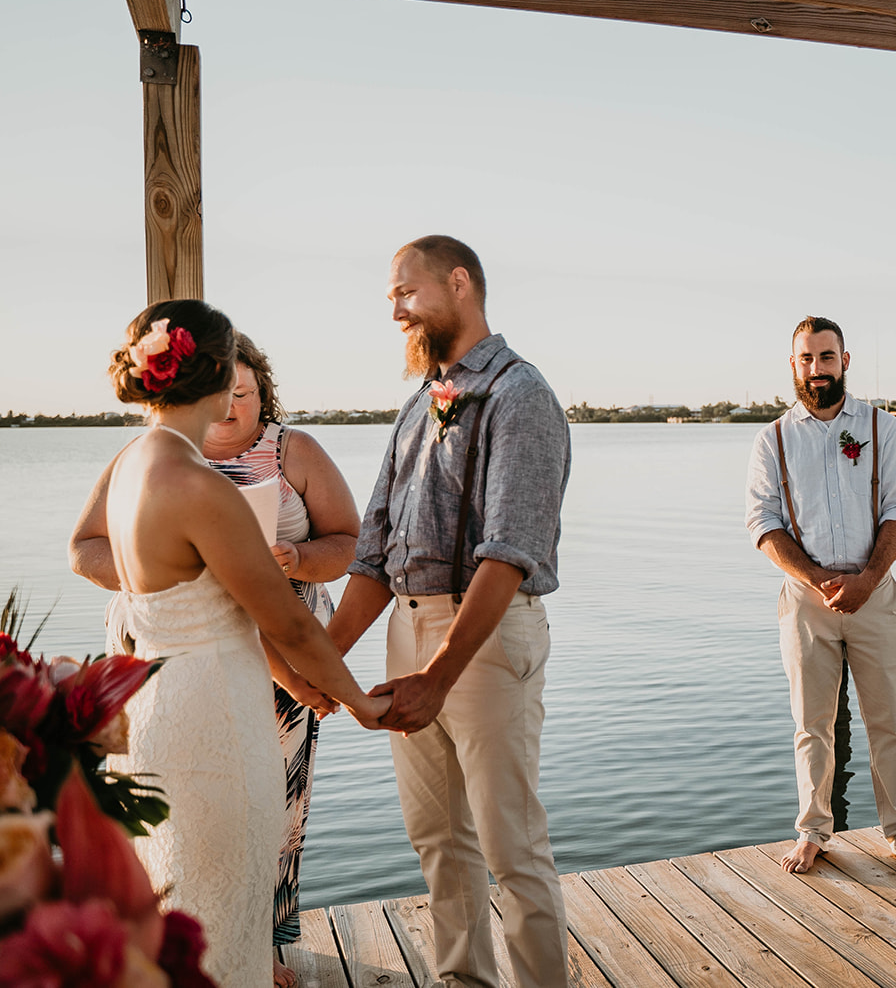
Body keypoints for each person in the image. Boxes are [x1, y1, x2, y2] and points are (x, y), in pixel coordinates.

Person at [70, 299, 390, 985]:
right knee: (226, 917)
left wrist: (301, 684)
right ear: (218, 378)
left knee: (184, 906)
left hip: (158, 707)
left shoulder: (133, 466)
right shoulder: (196, 484)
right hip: (215, 719)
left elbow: (216, 607)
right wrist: (358, 698)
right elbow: (284, 618)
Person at [326, 235, 571, 988]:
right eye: (391, 298)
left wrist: (438, 673)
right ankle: (464, 979)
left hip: (486, 636)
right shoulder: (413, 407)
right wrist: (321, 663)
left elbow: (508, 554)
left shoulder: (520, 395)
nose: (395, 309)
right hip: (409, 629)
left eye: (407, 291)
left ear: (460, 284)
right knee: (438, 838)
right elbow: (373, 553)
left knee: (511, 844)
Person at [745, 316, 896, 876]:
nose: (817, 369)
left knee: (889, 719)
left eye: (826, 357)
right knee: (812, 723)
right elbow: (763, 523)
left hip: (875, 592)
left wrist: (867, 580)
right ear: (794, 365)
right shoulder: (773, 440)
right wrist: (816, 579)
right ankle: (813, 831)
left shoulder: (882, 430)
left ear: (845, 361)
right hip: (806, 601)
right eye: (806, 359)